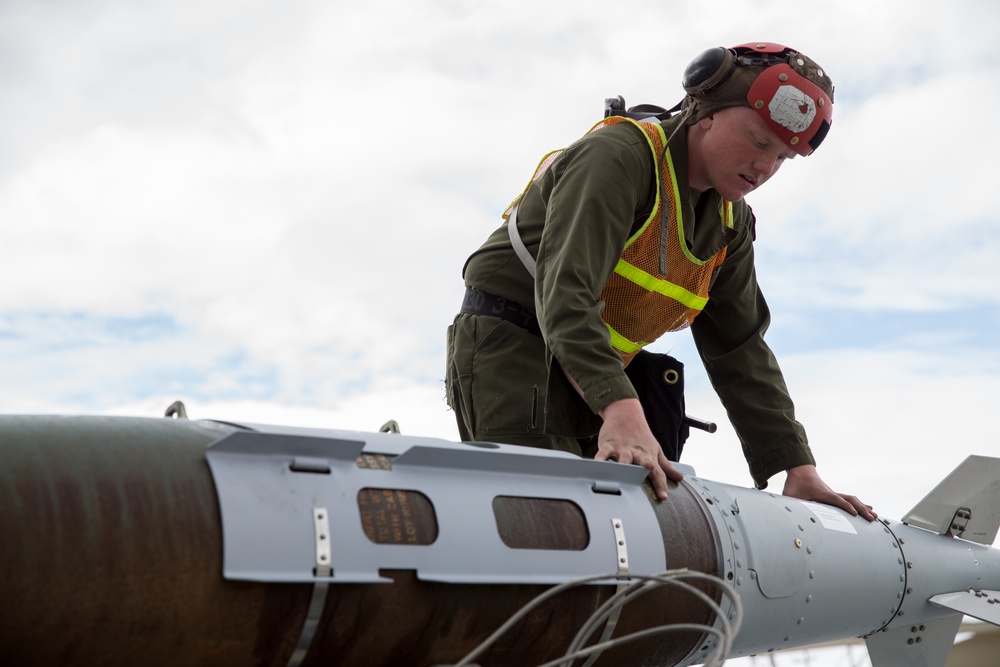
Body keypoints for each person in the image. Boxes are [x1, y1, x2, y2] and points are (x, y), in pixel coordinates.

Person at [445, 42, 875, 521]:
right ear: (706, 113)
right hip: (516, 349)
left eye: (782, 158)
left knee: (622, 539)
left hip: (597, 372)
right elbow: (566, 293)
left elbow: (740, 348)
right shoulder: (618, 159)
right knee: (545, 527)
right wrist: (620, 408)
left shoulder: (730, 222)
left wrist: (796, 466)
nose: (765, 168)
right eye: (758, 141)